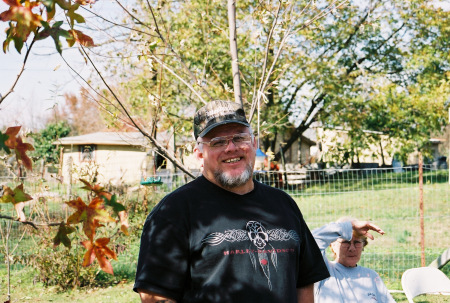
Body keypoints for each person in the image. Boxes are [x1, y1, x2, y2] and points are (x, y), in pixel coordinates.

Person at [134, 100, 330, 303]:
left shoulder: (283, 204)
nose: (231, 148)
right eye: (217, 142)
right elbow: (156, 296)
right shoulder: (173, 211)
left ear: (254, 144)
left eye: (239, 137)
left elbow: (304, 280)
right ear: (199, 154)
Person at [312, 217, 396, 302]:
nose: (352, 248)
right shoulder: (324, 271)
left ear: (363, 245)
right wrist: (351, 225)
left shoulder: (371, 276)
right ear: (332, 246)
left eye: (357, 242)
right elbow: (312, 241)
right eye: (345, 242)